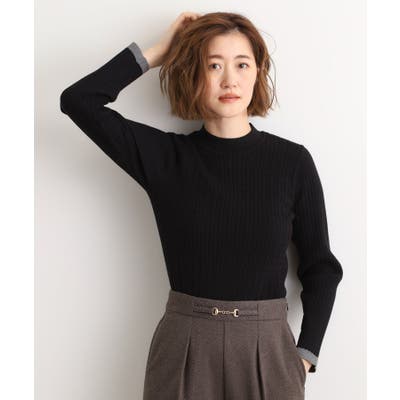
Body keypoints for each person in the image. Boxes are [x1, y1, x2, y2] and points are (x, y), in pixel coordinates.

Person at [60, 11, 343, 400]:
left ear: (258, 73)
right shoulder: (165, 158)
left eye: (242, 64)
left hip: (268, 349)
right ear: (195, 74)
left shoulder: (292, 162)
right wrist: (160, 52)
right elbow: (78, 101)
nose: (229, 80)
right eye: (214, 65)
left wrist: (305, 355)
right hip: (185, 344)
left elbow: (321, 268)